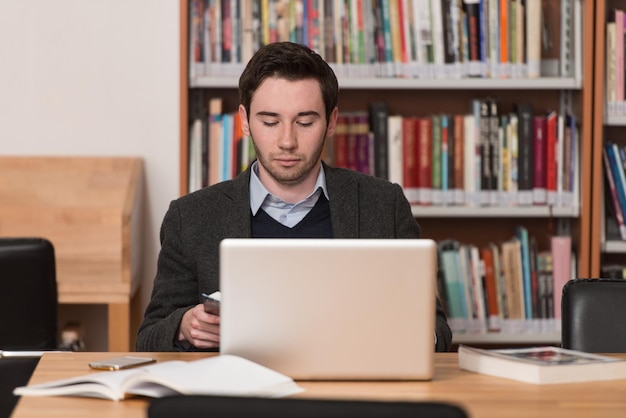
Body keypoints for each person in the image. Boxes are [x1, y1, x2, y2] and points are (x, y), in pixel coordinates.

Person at [136, 41, 452, 352]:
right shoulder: (190, 216)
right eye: (270, 122)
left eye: (305, 122)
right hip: (240, 396)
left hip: (353, 391)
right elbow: (150, 336)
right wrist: (184, 326)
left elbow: (436, 329)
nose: (287, 141)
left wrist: (414, 335)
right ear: (245, 121)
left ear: (332, 121)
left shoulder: (384, 205)